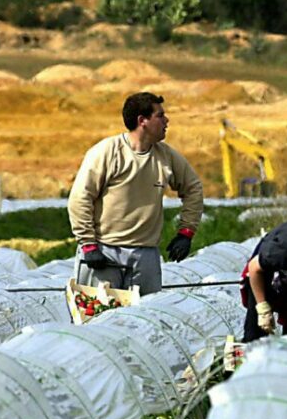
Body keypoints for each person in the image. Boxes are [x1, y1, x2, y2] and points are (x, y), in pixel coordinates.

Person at [68, 92, 203, 296]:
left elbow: (193, 188)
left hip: (145, 255)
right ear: (143, 121)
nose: (167, 120)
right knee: (98, 319)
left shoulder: (166, 156)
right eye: (160, 115)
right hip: (104, 253)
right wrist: (88, 245)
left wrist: (186, 232)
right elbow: (80, 198)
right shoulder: (107, 152)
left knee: (141, 319)